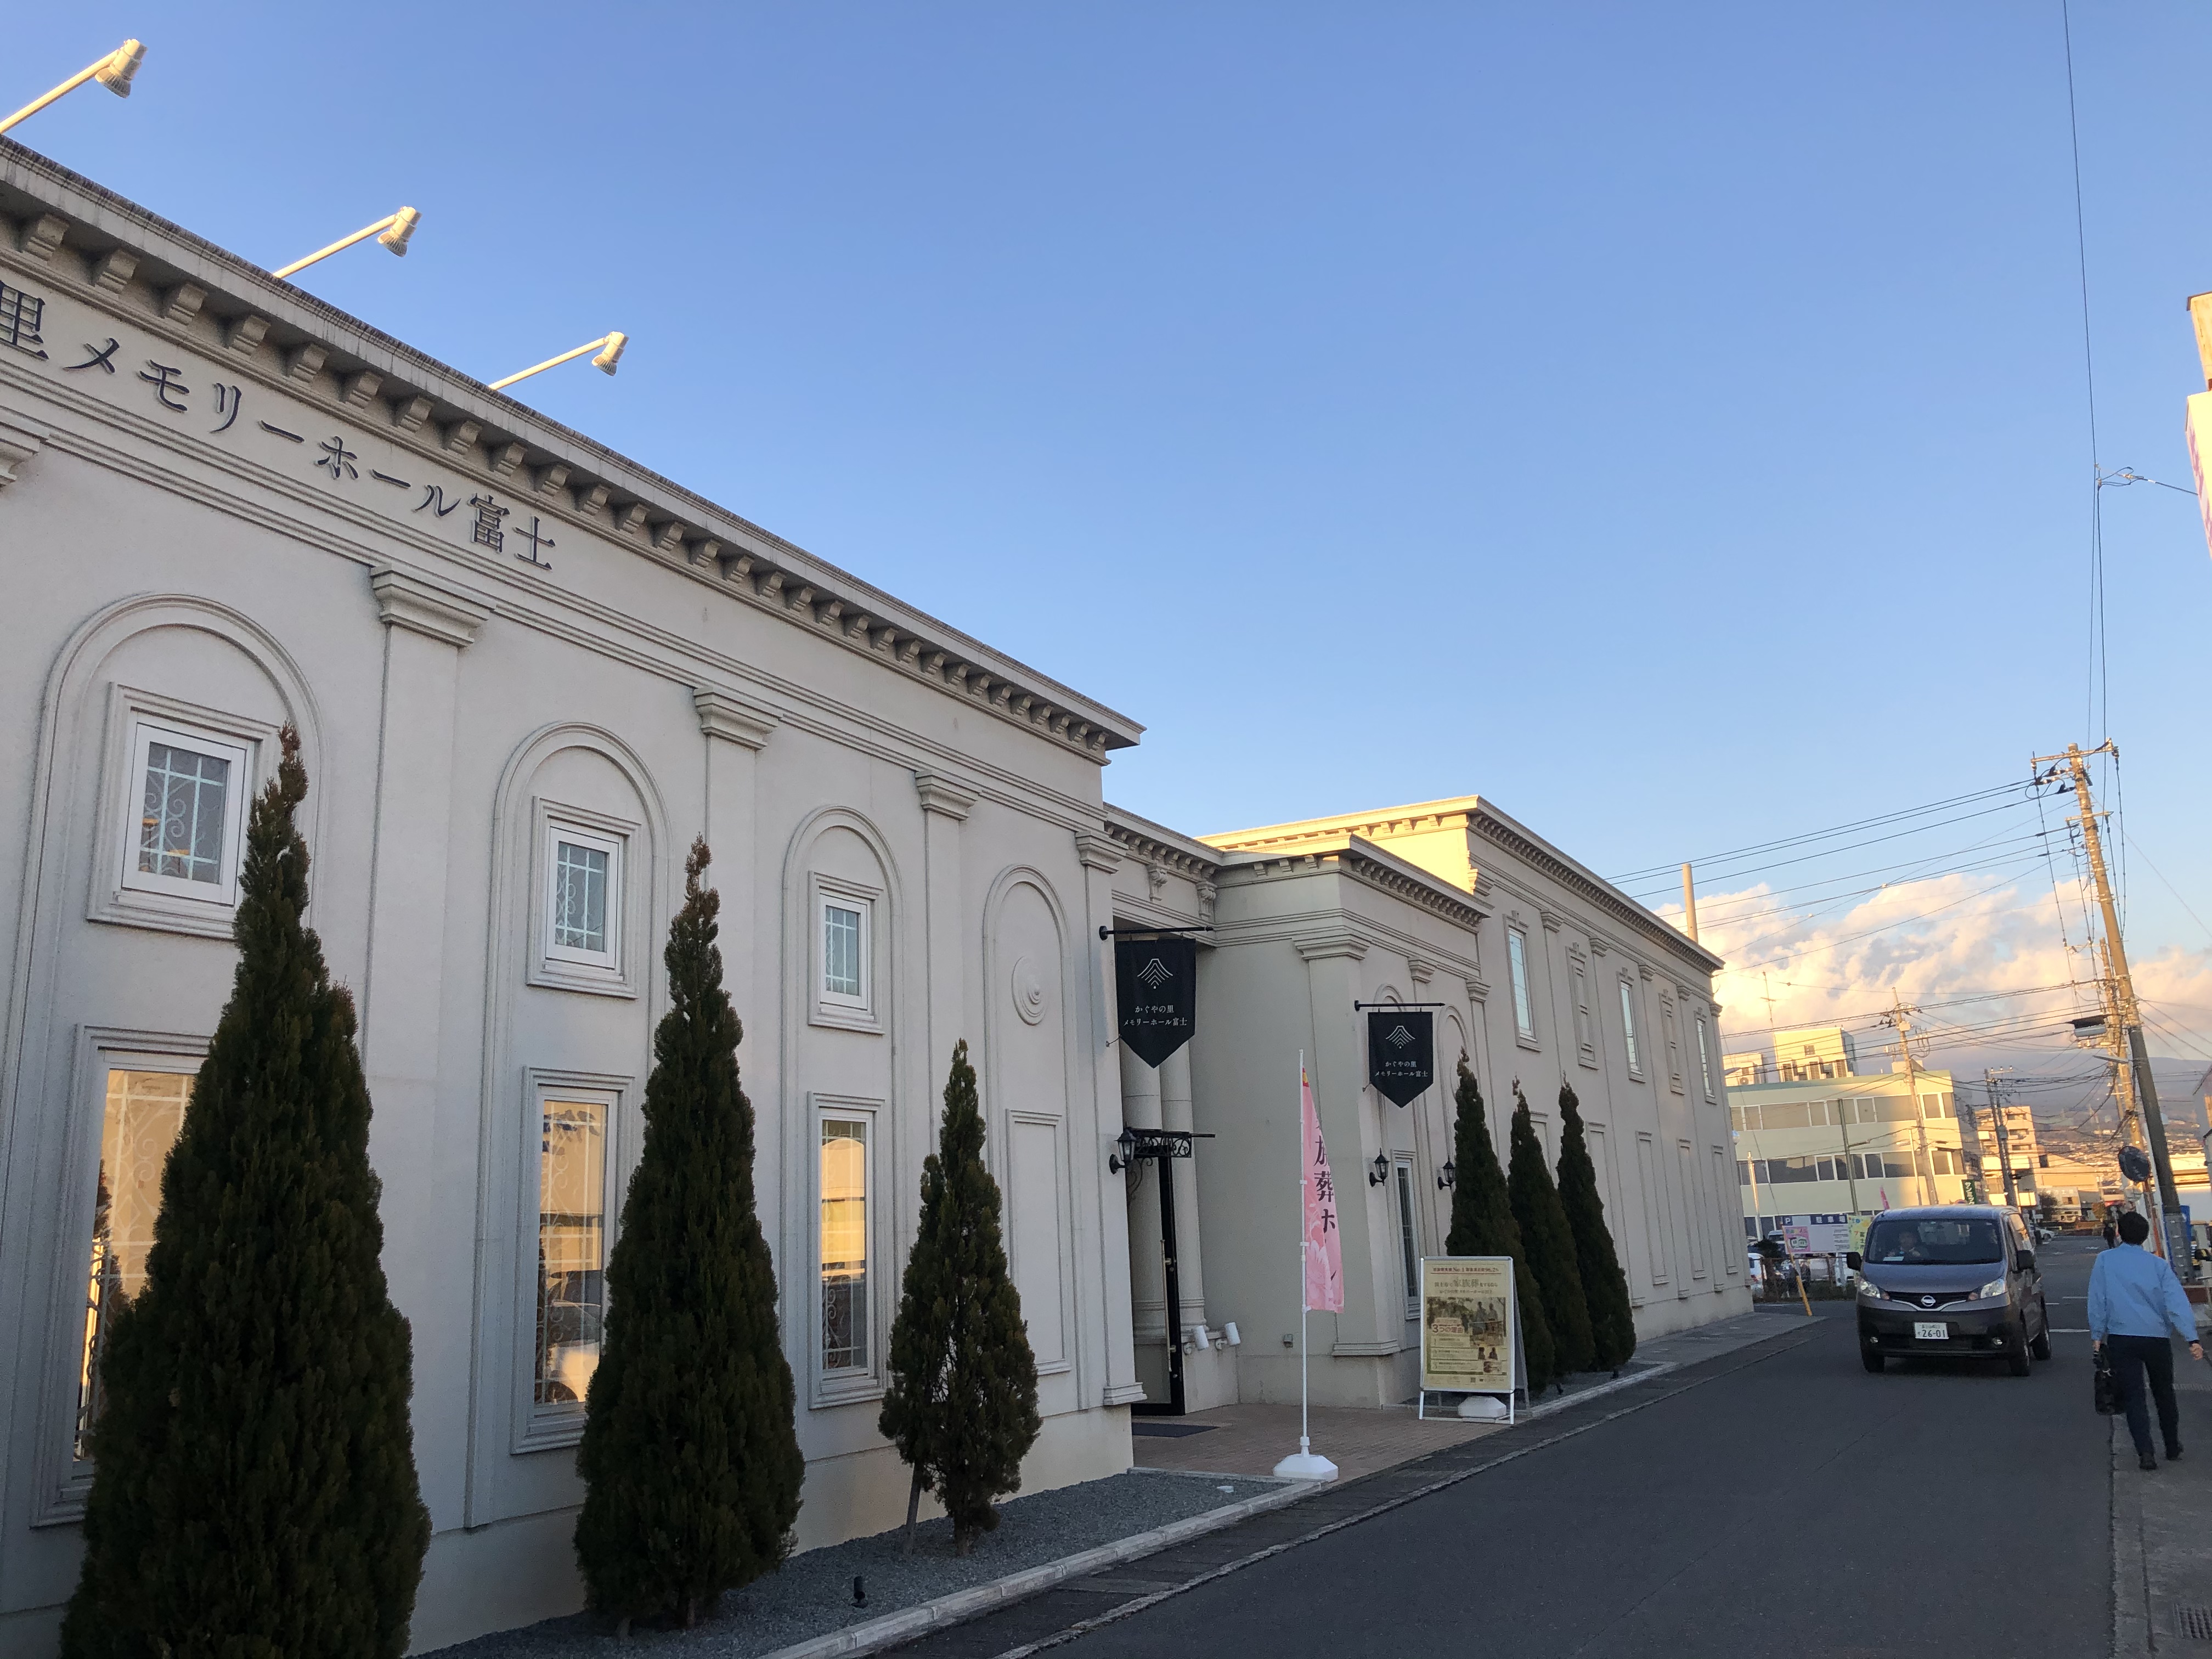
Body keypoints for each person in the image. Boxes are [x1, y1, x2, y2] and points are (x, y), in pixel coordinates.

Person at [2090, 1210, 2204, 1471]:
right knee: (2164, 1392)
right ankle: (2172, 1446)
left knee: (2134, 1395)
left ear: (2118, 1232)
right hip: (2157, 1337)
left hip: (2121, 1337)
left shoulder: (2105, 1261)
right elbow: (2176, 1302)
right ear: (2145, 1236)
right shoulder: (2158, 1265)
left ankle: (2145, 1453)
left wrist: (2097, 1334)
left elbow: (2098, 1300)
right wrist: (2191, 1338)